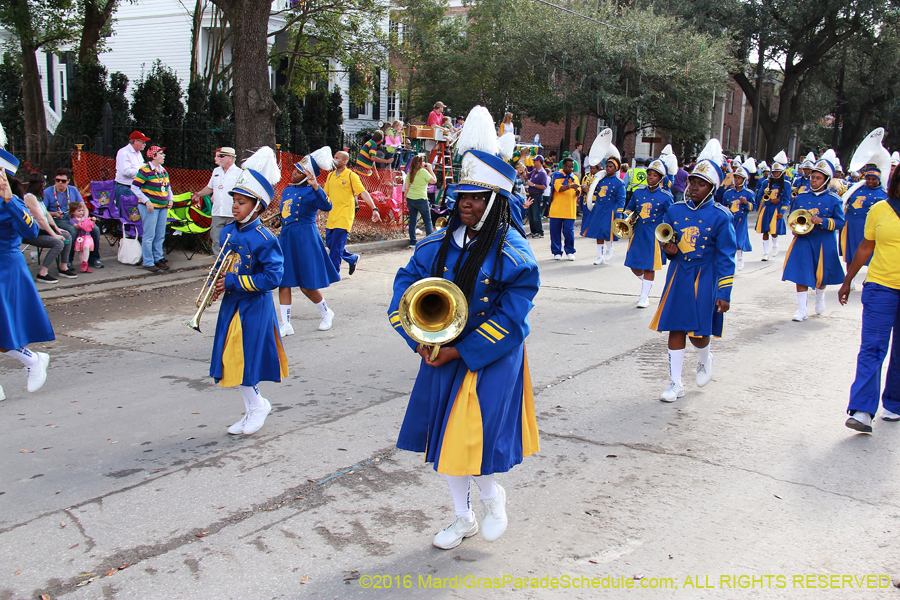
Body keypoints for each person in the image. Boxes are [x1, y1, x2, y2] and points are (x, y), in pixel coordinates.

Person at [387, 105, 540, 550]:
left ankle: (493, 498)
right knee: (445, 440)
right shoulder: (435, 243)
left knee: (475, 437)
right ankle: (462, 516)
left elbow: (513, 317)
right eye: (461, 197)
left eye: (475, 197)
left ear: (494, 201)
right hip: (438, 351)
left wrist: (461, 350)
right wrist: (417, 336)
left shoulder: (513, 253)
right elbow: (403, 289)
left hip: (488, 356)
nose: (465, 204)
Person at [649, 139, 736, 403]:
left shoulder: (722, 216)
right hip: (680, 275)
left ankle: (704, 357)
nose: (694, 187)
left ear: (711, 189)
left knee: (699, 335)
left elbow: (726, 258)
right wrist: (669, 250)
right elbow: (666, 240)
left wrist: (725, 292)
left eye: (701, 184)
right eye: (692, 182)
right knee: (676, 328)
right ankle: (675, 383)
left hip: (706, 276)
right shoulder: (674, 210)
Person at [209, 148, 286, 436]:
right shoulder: (229, 232)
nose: (236, 207)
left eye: (242, 203)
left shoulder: (264, 237)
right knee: (231, 360)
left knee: (243, 360)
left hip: (253, 306)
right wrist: (214, 286)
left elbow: (273, 277)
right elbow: (221, 266)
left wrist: (233, 282)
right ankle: (253, 406)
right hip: (232, 305)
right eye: (235, 202)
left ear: (257, 207)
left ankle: (257, 406)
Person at [840, 167, 900, 433]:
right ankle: (862, 410)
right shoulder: (879, 209)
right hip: (881, 287)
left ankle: (895, 403)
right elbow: (866, 245)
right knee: (873, 347)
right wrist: (847, 280)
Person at [0, 148, 53, 398]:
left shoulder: (13, 202)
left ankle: (33, 360)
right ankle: (32, 360)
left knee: (4, 328)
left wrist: (10, 201)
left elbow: (30, 232)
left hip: (5, 270)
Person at [278, 148, 339, 336]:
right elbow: (286, 212)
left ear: (306, 176)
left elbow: (327, 205)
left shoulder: (312, 192)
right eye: (294, 170)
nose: (293, 174)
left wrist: (316, 186)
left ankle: (326, 312)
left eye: (298, 172)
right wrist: (279, 219)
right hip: (287, 237)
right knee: (284, 281)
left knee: (306, 284)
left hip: (305, 239)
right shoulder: (287, 190)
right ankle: (285, 323)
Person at [781, 157, 845, 321]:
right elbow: (793, 216)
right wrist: (794, 228)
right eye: (812, 177)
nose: (814, 181)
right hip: (804, 239)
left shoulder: (834, 200)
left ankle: (820, 296)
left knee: (820, 275)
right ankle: (802, 309)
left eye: (818, 178)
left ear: (826, 181)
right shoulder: (801, 197)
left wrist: (823, 221)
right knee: (800, 273)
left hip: (823, 241)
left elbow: (840, 222)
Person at [323, 150, 382, 275]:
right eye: (334, 157)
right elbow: (324, 195)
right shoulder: (330, 176)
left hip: (344, 216)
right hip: (332, 216)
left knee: (336, 248)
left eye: (337, 158)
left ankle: (333, 273)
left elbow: (363, 192)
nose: (334, 159)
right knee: (330, 244)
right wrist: (317, 212)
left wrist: (374, 209)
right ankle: (352, 258)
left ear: (345, 161)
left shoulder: (351, 176)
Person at [624, 157, 673, 308]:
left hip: (654, 234)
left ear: (660, 178)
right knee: (633, 265)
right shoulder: (638, 193)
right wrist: (627, 217)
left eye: (654, 175)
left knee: (649, 266)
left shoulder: (666, 196)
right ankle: (647, 283)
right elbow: (629, 208)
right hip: (638, 232)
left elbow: (671, 216)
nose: (650, 177)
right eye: (649, 174)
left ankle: (644, 296)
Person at [22, 172, 75, 282]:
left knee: (66, 235)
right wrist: (53, 235)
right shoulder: (30, 197)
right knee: (58, 243)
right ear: (41, 184)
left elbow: (45, 214)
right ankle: (42, 273)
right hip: (33, 233)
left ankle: (63, 267)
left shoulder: (38, 197)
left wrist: (56, 228)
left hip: (42, 230)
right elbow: (40, 219)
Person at [43, 168, 102, 268]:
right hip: (59, 220)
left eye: (63, 181)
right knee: (72, 231)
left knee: (95, 229)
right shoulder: (48, 192)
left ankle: (94, 258)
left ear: (68, 181)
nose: (60, 183)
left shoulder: (73, 190)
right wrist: (54, 214)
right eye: (58, 180)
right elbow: (43, 211)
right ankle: (67, 261)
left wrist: (85, 218)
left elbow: (83, 206)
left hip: (75, 218)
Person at [843, 166, 887, 290]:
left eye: (874, 179)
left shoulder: (883, 194)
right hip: (852, 225)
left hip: (869, 227)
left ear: (879, 180)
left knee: (871, 254)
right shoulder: (856, 189)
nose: (871, 181)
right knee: (851, 252)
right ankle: (850, 278)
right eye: (868, 178)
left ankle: (870, 279)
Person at [131, 146, 174, 273]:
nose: (163, 155)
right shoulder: (144, 170)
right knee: (149, 235)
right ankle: (148, 261)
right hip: (149, 207)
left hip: (162, 207)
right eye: (161, 153)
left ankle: (158, 257)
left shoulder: (163, 171)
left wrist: (170, 199)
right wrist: (146, 201)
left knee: (160, 234)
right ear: (153, 156)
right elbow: (135, 187)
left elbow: (168, 188)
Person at [192, 147, 241, 254]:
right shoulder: (216, 171)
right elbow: (210, 188)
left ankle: (231, 267)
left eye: (222, 156)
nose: (219, 158)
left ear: (230, 158)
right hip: (217, 213)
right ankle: (218, 267)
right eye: (219, 156)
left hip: (232, 213)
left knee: (233, 242)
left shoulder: (239, 173)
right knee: (216, 241)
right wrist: (199, 194)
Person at [584, 152, 626, 264]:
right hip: (599, 208)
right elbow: (596, 191)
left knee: (606, 231)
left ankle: (609, 248)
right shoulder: (600, 180)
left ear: (616, 168)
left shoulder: (619, 183)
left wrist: (618, 215)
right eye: (607, 166)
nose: (608, 168)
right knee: (598, 232)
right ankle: (599, 256)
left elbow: (621, 200)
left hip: (610, 209)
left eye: (611, 166)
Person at [755, 151, 791, 260]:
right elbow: (760, 195)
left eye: (777, 172)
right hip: (767, 208)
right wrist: (769, 201)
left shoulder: (786, 184)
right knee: (765, 231)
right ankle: (765, 253)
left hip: (777, 209)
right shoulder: (766, 183)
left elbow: (786, 199)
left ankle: (775, 245)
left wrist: (782, 212)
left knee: (774, 231)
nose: (775, 174)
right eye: (774, 172)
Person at [719, 167, 754, 270]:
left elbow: (753, 207)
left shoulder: (748, 193)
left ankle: (740, 259)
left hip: (741, 219)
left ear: (744, 180)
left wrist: (746, 203)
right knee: (730, 239)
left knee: (739, 240)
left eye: (739, 178)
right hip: (731, 219)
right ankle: (730, 259)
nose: (736, 180)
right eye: (735, 178)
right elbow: (724, 206)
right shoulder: (728, 193)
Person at [548, 157, 580, 260]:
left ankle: (570, 251)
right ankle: (557, 252)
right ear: (564, 166)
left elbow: (578, 191)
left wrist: (579, 191)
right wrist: (571, 186)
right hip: (556, 210)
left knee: (568, 231)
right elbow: (560, 188)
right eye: (569, 167)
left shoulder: (574, 178)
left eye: (572, 167)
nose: (571, 169)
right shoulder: (556, 176)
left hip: (570, 210)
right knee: (555, 232)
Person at [403, 155, 437, 247]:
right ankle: (429, 242)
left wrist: (406, 199)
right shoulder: (423, 172)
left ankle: (412, 242)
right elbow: (434, 181)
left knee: (413, 221)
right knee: (428, 221)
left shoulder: (410, 172)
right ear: (421, 163)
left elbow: (406, 188)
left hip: (410, 198)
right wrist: (430, 169)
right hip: (421, 199)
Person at [115, 130, 150, 217]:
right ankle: (124, 230)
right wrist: (142, 172)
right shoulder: (123, 152)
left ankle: (133, 230)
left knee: (135, 213)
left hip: (135, 187)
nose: (144, 144)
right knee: (127, 213)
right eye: (143, 142)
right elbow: (125, 171)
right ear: (135, 141)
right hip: (125, 187)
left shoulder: (138, 153)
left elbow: (141, 166)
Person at [68, 202, 96, 273]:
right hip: (80, 237)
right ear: (73, 212)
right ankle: (84, 266)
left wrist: (93, 221)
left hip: (87, 236)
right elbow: (77, 227)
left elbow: (91, 226)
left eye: (82, 210)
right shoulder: (72, 220)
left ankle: (85, 263)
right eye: (79, 211)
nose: (81, 212)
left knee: (86, 247)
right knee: (81, 252)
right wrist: (80, 222)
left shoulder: (85, 218)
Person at [524, 155, 547, 238]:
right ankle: (533, 231)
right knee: (530, 214)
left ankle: (539, 232)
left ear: (539, 162)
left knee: (536, 214)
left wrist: (533, 184)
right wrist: (524, 168)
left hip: (537, 195)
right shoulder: (534, 171)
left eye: (535, 161)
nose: (533, 162)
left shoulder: (542, 173)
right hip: (531, 194)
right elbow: (527, 175)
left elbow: (544, 186)